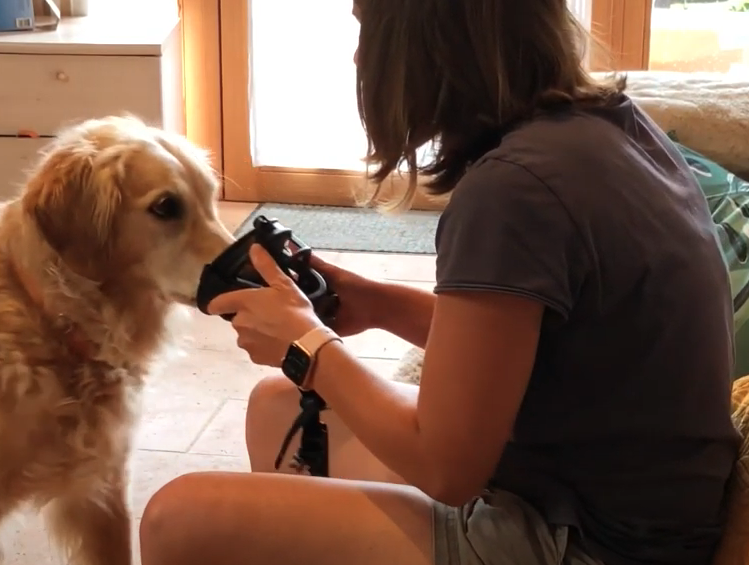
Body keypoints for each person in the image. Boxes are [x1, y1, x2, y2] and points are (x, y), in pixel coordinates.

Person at [138, 0, 741, 564]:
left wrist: (307, 346)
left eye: (364, 27)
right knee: (276, 410)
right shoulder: (612, 128)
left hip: (588, 541)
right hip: (630, 508)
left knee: (177, 518)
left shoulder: (514, 190)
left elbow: (447, 468)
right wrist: (374, 302)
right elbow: (537, 346)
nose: (358, 57)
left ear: (420, 42)